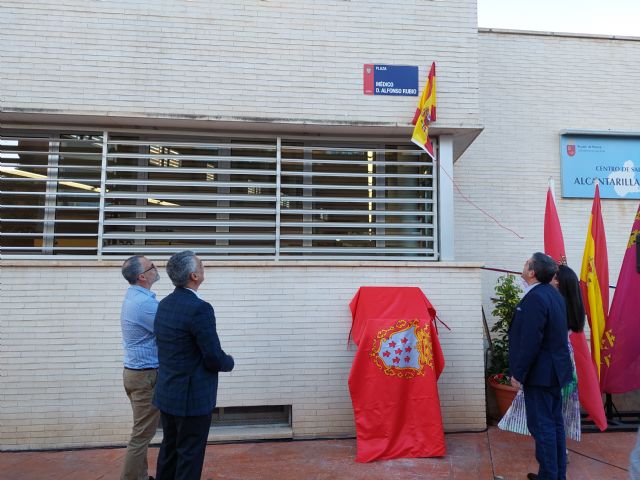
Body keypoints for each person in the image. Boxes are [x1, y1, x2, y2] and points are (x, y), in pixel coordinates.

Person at [153, 251, 235, 480]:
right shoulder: (200, 309)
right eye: (201, 264)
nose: (203, 266)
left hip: (168, 393)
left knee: (169, 449)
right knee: (190, 454)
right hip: (192, 398)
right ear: (194, 275)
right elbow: (213, 357)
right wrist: (229, 362)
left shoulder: (165, 304)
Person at [509, 252, 573, 480]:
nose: (523, 265)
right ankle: (555, 474)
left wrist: (518, 372)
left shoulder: (536, 297)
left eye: (526, 263)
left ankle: (549, 476)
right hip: (554, 371)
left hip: (542, 374)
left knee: (543, 426)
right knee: (554, 424)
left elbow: (530, 341)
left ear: (533, 272)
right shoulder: (552, 294)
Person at [120, 255, 162, 480]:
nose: (156, 268)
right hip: (145, 376)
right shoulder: (144, 304)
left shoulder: (136, 297)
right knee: (141, 436)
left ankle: (141, 477)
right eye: (151, 266)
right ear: (142, 276)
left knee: (141, 433)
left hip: (136, 374)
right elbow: (169, 330)